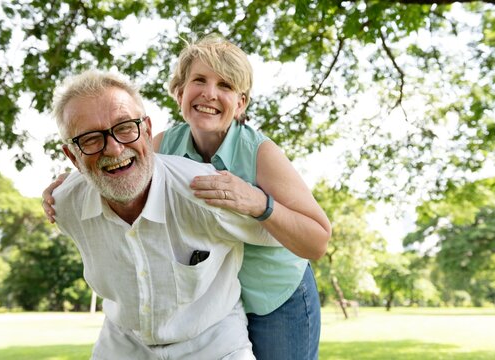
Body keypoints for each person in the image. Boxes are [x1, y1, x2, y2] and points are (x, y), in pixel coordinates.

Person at [44, 34, 332, 359]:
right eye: (199, 80)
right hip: (218, 292)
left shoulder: (259, 153)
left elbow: (318, 241)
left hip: (275, 292)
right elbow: (116, 159)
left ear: (241, 104)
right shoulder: (165, 144)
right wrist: (69, 182)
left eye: (225, 85)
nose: (210, 93)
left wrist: (258, 203)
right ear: (179, 92)